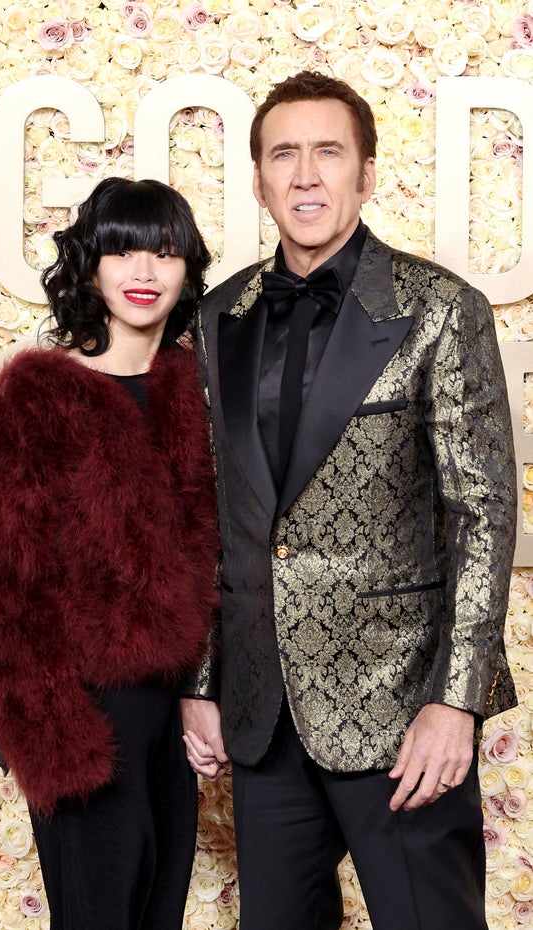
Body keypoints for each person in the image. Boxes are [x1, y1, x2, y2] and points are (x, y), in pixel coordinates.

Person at [181, 70, 518, 930]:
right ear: (257, 178)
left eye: (328, 152)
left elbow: (484, 514)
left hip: (403, 705)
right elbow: (217, 514)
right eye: (283, 155)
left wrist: (457, 700)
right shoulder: (219, 316)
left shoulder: (441, 308)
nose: (305, 176)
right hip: (264, 717)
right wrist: (205, 681)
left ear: (367, 174)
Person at [0, 177, 219, 930]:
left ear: (188, 270)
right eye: (122, 250)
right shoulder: (29, 402)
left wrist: (207, 696)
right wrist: (56, 742)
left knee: (158, 911)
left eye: (164, 253)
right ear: (89, 266)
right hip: (83, 720)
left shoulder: (192, 394)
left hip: (171, 714)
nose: (143, 272)